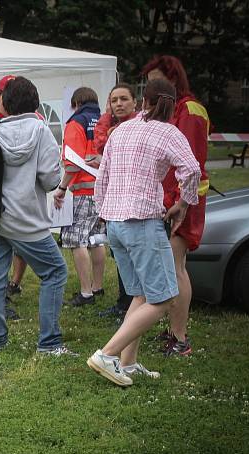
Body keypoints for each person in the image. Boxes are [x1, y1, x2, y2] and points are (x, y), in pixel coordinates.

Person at [87, 78, 200, 387]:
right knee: (163, 298)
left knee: (141, 294)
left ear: (143, 101)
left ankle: (128, 362)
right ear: (172, 104)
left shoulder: (120, 130)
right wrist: (183, 205)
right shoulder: (169, 132)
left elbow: (102, 178)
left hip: (115, 223)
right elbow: (191, 170)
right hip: (143, 221)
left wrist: (103, 212)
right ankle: (107, 354)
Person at [0, 76, 75, 356]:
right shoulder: (42, 130)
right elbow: (49, 179)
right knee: (55, 271)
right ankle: (49, 343)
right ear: (35, 102)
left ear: (4, 102)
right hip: (26, 219)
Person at [142, 55, 211, 356]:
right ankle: (173, 330)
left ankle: (180, 339)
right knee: (169, 267)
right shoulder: (171, 110)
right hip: (169, 199)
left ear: (173, 80)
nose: (151, 87)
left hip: (185, 201)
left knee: (175, 267)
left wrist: (181, 202)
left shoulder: (190, 110)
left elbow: (191, 165)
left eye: (156, 79)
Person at [54, 87, 106, 307]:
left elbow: (73, 161)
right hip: (101, 191)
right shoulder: (103, 122)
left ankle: (86, 293)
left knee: (78, 240)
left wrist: (62, 188)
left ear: (75, 103)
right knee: (96, 239)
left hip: (82, 191)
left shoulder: (76, 123)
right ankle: (98, 286)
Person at [93, 83, 139, 319]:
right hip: (114, 204)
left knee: (134, 258)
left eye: (123, 99)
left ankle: (135, 307)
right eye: (114, 100)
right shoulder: (110, 129)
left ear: (135, 102)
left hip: (136, 207)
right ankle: (124, 303)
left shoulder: (142, 128)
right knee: (120, 256)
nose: (119, 104)